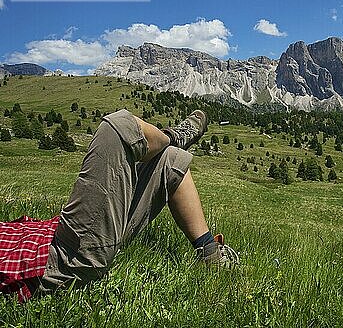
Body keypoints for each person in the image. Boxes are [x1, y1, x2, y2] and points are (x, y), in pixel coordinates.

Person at [0, 109, 239, 302]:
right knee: (117, 127)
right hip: (63, 258)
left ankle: (211, 256)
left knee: (169, 159)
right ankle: (174, 136)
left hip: (58, 242)